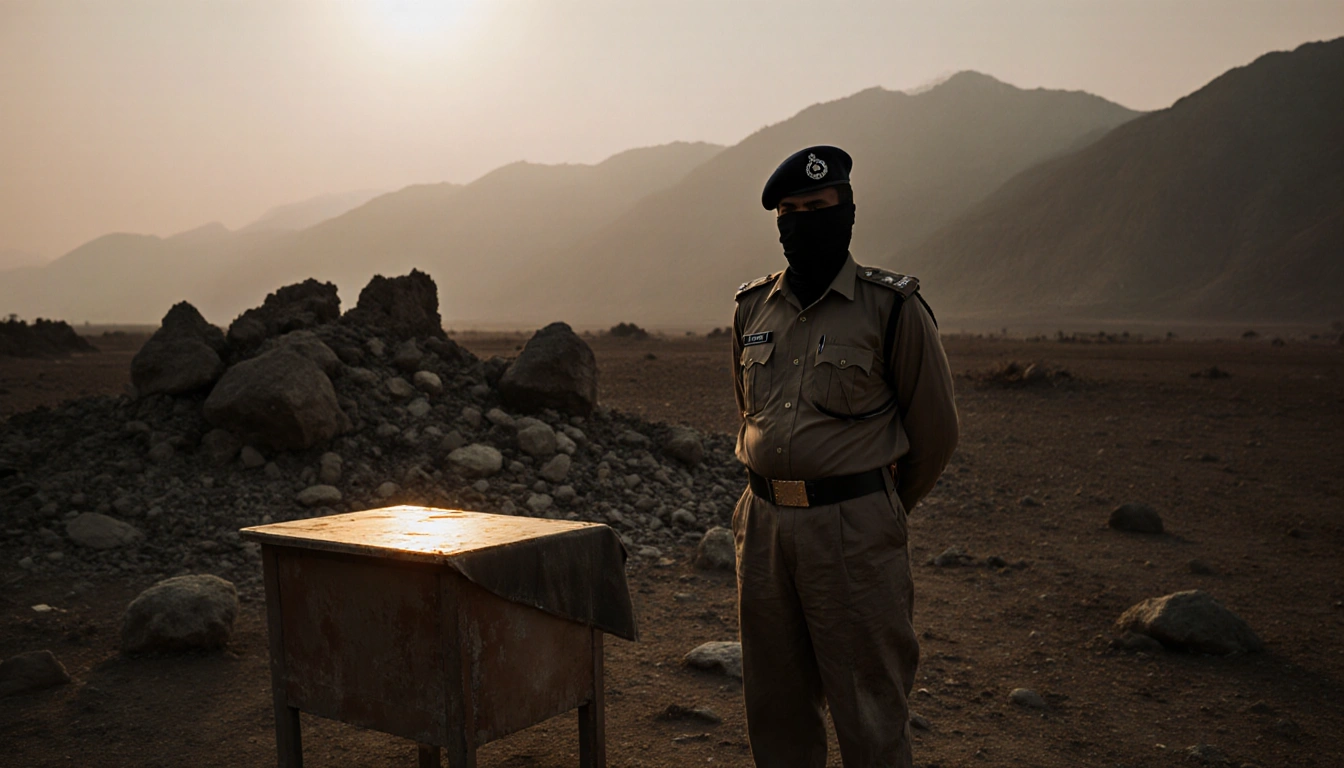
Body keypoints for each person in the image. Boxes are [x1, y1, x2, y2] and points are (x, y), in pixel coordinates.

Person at [731, 145, 959, 767]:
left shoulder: (891, 308)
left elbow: (935, 434)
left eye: (818, 206)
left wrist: (878, 506)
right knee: (775, 711)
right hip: (764, 528)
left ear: (847, 210)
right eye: (791, 210)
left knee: (870, 714)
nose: (803, 219)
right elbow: (752, 414)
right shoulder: (752, 309)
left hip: (853, 530)